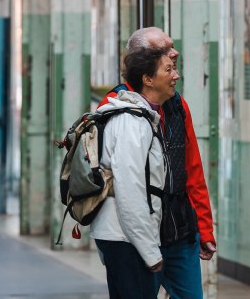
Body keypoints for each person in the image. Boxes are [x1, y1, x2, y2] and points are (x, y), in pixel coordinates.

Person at [101, 27, 216, 299]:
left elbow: (192, 170)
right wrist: (148, 249)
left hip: (180, 231)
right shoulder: (119, 110)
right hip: (139, 237)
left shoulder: (177, 105)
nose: (174, 54)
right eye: (164, 51)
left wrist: (204, 227)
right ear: (147, 73)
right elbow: (127, 191)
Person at [91, 46, 173, 298]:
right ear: (148, 79)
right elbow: (129, 191)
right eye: (168, 69)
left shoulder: (141, 118)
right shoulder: (132, 122)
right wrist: (150, 251)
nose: (175, 76)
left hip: (122, 238)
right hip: (126, 240)